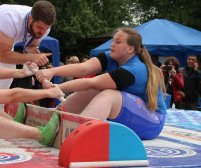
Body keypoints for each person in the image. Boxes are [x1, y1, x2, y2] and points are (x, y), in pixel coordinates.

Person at [35, 27, 167, 140]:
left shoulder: (134, 69)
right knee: (97, 91)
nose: (112, 44)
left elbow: (92, 82)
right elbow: (83, 68)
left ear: (130, 49)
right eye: (113, 40)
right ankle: (56, 119)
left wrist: (55, 88)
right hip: (132, 114)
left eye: (117, 42)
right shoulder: (112, 56)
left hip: (153, 122)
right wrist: (52, 72)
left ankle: (75, 133)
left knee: (107, 94)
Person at [0, 0, 56, 93]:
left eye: (46, 29)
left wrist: (34, 54)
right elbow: (3, 56)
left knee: (4, 69)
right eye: (40, 27)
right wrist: (31, 57)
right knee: (7, 68)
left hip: (6, 32)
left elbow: (30, 46)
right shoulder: (12, 19)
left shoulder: (44, 27)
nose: (43, 32)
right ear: (31, 18)